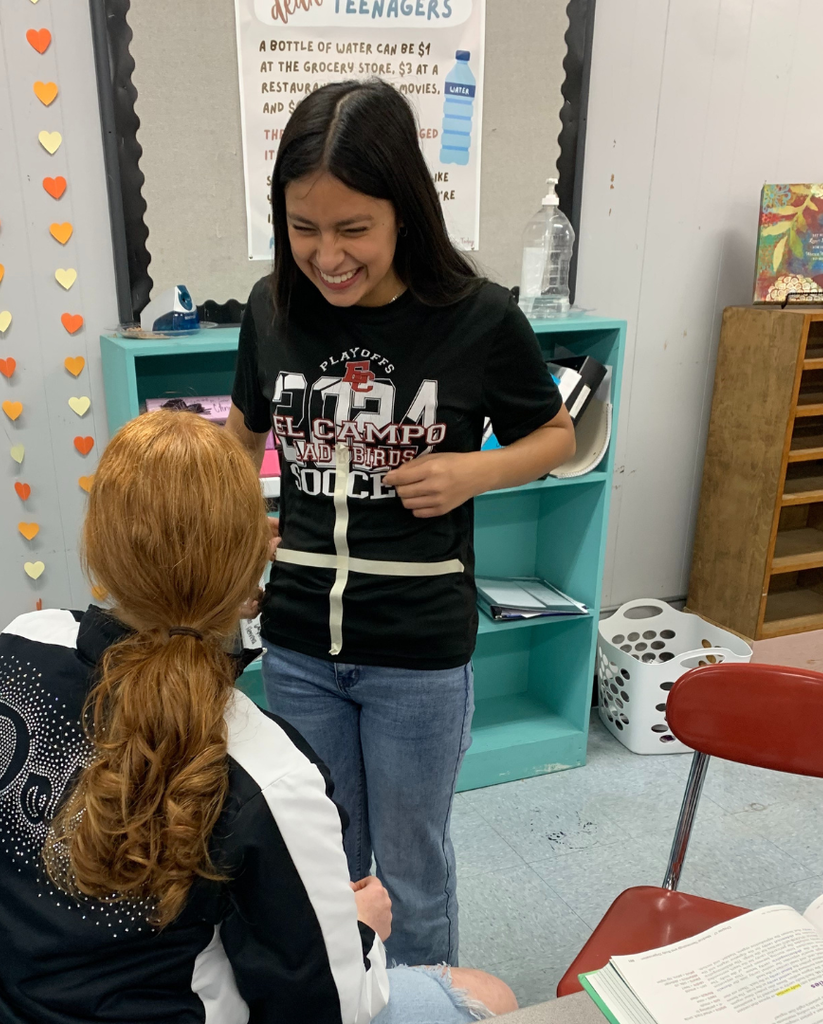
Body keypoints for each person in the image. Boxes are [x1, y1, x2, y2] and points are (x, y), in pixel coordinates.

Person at [0, 410, 517, 1023]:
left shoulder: (19, 648)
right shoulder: (267, 772)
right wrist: (363, 931)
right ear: (252, 569)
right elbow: (330, 1008)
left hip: (19, 1008)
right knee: (490, 997)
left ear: (97, 545)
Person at [225, 79, 576, 967]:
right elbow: (240, 437)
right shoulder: (272, 309)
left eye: (354, 230)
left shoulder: (478, 316)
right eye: (305, 228)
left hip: (417, 654)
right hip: (300, 642)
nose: (327, 256)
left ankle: (423, 999)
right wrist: (232, 527)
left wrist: (475, 471)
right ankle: (347, 998)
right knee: (327, 860)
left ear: (405, 212)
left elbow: (558, 433)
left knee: (412, 868)